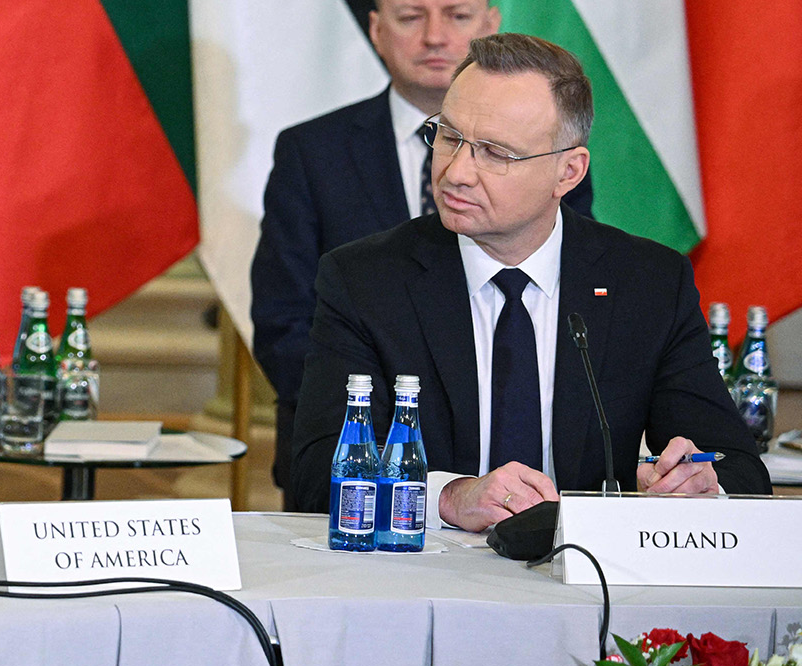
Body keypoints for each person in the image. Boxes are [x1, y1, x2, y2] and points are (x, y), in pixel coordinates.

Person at [289, 34, 767, 528]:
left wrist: (699, 485)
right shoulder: (365, 280)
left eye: (495, 153)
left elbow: (739, 468)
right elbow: (314, 474)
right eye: (449, 137)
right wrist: (447, 498)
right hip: (428, 562)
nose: (457, 173)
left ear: (568, 172)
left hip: (588, 567)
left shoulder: (647, 284)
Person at [252, 0, 594, 502]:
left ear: (490, 25)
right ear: (376, 29)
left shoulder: (547, 155)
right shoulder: (312, 152)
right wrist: (407, 446)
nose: (435, 37)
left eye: (457, 16)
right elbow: (284, 323)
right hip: (351, 468)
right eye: (411, 16)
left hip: (524, 472)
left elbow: (566, 293)